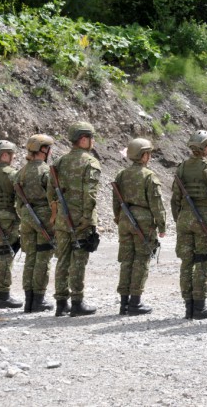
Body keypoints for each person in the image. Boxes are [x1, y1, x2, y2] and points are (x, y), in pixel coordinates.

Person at [171, 130, 207, 320]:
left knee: (186, 262)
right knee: (202, 261)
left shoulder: (182, 168)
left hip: (184, 218)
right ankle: (200, 307)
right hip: (204, 218)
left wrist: (178, 219)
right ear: (205, 147)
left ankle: (189, 307)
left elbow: (175, 198)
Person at [49, 122, 101, 317]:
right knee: (78, 260)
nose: (93, 141)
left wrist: (57, 215)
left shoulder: (59, 162)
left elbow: (51, 193)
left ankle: (61, 303)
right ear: (83, 139)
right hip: (81, 221)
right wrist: (87, 218)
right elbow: (90, 194)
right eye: (91, 137)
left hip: (62, 220)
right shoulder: (90, 162)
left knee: (62, 259)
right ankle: (77, 302)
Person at [112, 138, 166, 316]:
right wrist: (161, 225)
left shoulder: (121, 175)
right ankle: (135, 302)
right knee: (141, 260)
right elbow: (156, 204)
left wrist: (118, 218)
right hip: (143, 221)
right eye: (148, 153)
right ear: (143, 155)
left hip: (124, 219)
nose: (149, 157)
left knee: (126, 260)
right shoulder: (149, 176)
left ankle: (124, 303)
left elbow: (115, 201)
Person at [15, 134, 55, 312]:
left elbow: (18, 201)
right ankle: (39, 300)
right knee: (43, 257)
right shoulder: (46, 171)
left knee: (30, 257)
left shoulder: (21, 172)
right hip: (44, 217)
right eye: (49, 149)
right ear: (43, 150)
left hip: (26, 217)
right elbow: (53, 198)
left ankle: (29, 301)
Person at [0, 140, 22, 309]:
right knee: (5, 255)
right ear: (4, 155)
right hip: (6, 220)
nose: (14, 157)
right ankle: (4, 295)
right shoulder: (12, 174)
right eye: (12, 154)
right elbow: (21, 200)